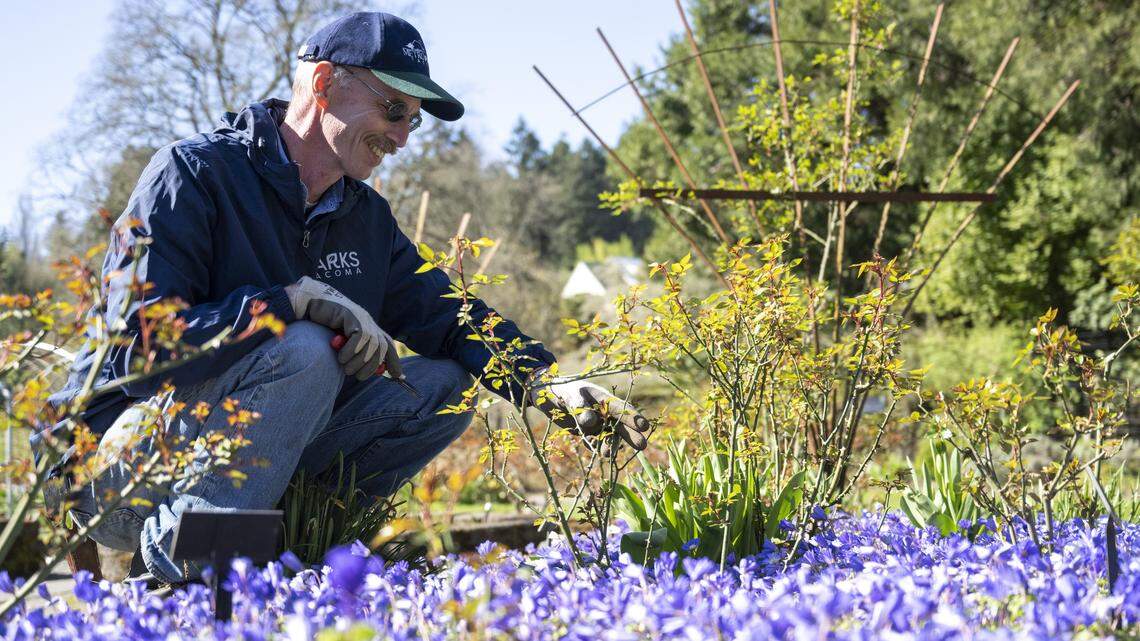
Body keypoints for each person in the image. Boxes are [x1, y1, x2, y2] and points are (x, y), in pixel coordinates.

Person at [42, 12, 649, 585]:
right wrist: (287, 302)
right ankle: (198, 574)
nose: (402, 138)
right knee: (304, 347)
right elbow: (137, 350)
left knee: (449, 381)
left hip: (240, 466)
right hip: (111, 465)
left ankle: (287, 550)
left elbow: (449, 315)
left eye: (414, 119)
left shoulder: (365, 219)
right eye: (392, 109)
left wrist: (545, 384)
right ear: (325, 83)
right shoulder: (193, 175)